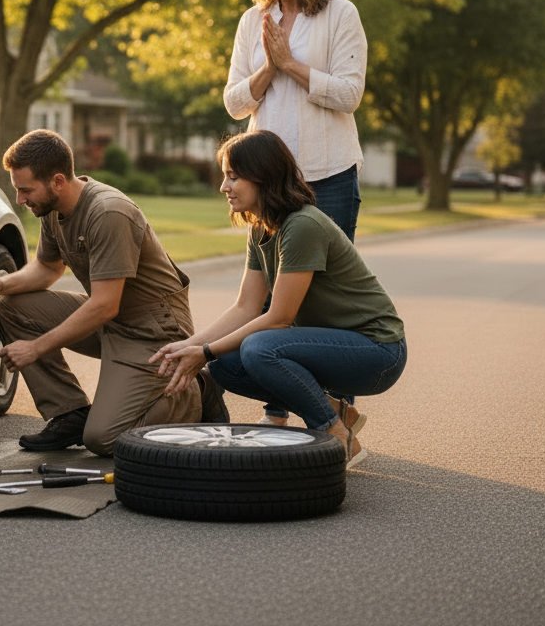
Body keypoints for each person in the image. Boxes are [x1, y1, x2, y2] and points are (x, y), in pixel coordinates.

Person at [150, 131, 407, 468]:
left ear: (263, 175)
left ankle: (337, 436)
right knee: (226, 365)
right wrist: (193, 346)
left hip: (378, 352)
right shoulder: (262, 228)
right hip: (335, 347)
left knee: (259, 349)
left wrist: (204, 351)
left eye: (233, 176)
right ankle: (337, 411)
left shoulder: (302, 225)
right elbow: (245, 306)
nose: (224, 187)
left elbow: (279, 317)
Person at [0, 129, 228, 455]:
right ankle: (69, 413)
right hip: (111, 318)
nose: (20, 200)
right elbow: (49, 268)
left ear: (58, 181)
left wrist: (35, 348)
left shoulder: (108, 212)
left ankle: (198, 390)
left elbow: (105, 305)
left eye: (25, 190)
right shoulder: (52, 209)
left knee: (104, 439)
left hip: (154, 331)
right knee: (10, 305)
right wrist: (2, 284)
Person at [224, 0, 369, 429]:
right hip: (268, 186)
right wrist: (268, 66)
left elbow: (350, 94)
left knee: (320, 303)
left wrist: (292, 65)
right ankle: (281, 410)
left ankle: (338, 415)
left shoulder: (340, 15)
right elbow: (235, 102)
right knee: (262, 295)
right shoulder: (251, 22)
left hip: (327, 176)